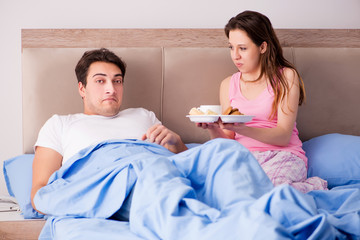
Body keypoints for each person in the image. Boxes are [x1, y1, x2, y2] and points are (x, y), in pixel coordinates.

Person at [30, 48, 188, 212]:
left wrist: (177, 144)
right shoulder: (59, 124)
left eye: (117, 81)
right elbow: (40, 191)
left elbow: (186, 167)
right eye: (100, 81)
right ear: (82, 89)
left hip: (156, 177)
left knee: (216, 149)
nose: (111, 89)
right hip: (110, 191)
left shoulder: (144, 116)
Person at [197, 11, 327, 193]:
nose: (235, 56)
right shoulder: (227, 84)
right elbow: (228, 140)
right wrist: (213, 128)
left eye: (242, 48)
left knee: (271, 192)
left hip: (283, 155)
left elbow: (283, 136)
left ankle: (312, 187)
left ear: (262, 47)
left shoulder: (287, 76)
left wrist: (242, 128)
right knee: (221, 191)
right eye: (231, 47)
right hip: (243, 157)